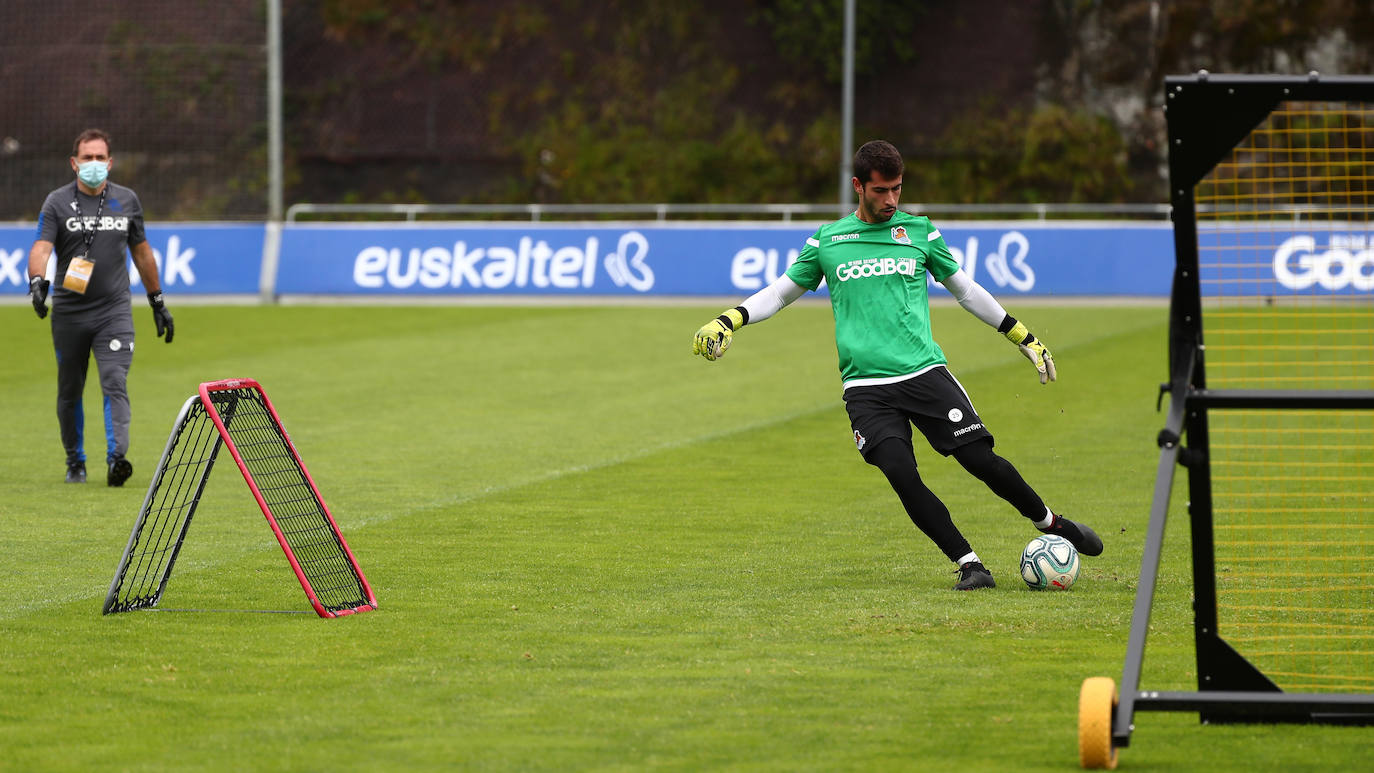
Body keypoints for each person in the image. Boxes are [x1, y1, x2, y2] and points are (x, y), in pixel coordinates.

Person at [691, 139, 1101, 590]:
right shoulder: (829, 240)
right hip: (866, 389)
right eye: (881, 190)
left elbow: (966, 290)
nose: (891, 199)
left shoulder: (919, 231)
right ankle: (970, 564)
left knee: (980, 461)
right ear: (858, 186)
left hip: (924, 374)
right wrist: (731, 319)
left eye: (897, 189)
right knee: (901, 473)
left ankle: (1050, 523)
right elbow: (778, 293)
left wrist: (1020, 334)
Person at [27, 128, 174, 486]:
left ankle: (116, 459)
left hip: (114, 311)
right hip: (69, 312)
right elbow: (41, 247)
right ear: (74, 163)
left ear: (110, 162)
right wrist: (37, 281)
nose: (93, 163)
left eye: (99, 157)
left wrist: (157, 301)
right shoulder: (56, 202)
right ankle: (75, 460)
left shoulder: (127, 200)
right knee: (70, 390)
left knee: (114, 380)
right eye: (87, 157)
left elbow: (142, 253)